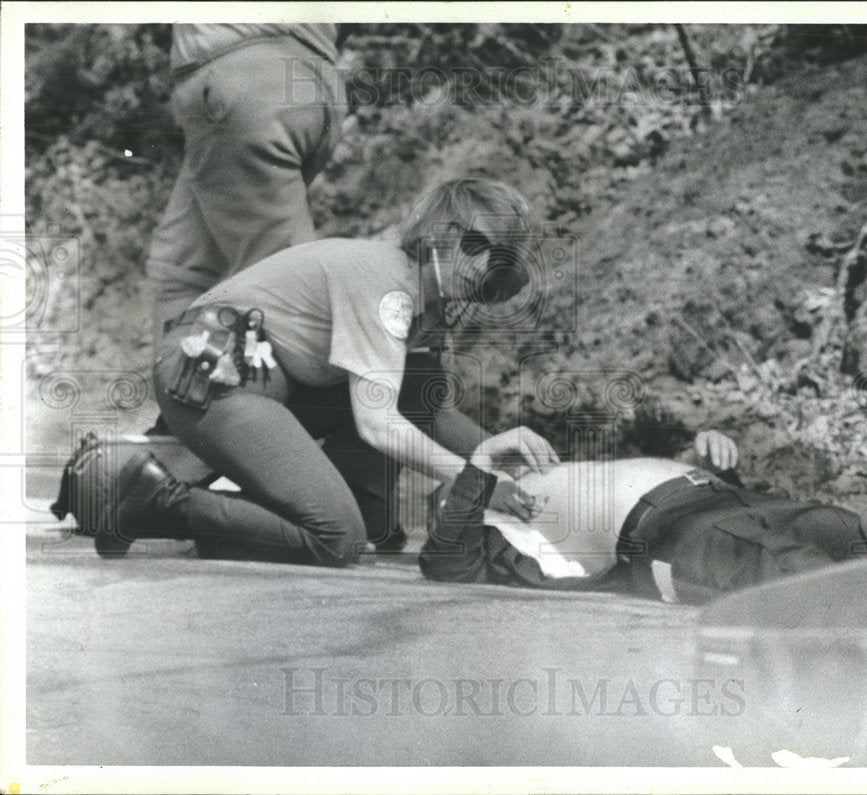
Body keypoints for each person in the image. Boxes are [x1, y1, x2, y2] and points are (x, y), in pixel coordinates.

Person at [54, 179, 559, 563]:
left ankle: (231, 501)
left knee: (373, 517)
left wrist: (511, 462)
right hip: (216, 376)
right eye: (474, 244)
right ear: (438, 237)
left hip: (270, 384)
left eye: (500, 257)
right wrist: (482, 482)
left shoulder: (426, 301)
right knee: (337, 538)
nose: (484, 265)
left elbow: (431, 411)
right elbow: (378, 423)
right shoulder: (388, 286)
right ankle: (154, 502)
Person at [419, 429, 867, 604]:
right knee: (803, 580)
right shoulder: (504, 535)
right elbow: (443, 563)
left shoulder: (531, 481)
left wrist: (702, 457)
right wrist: (479, 462)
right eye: (455, 493)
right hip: (675, 535)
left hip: (733, 498)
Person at [148, 24, 347, 338]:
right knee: (179, 274)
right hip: (309, 79)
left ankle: (372, 378)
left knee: (285, 295)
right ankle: (185, 382)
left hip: (242, 87)